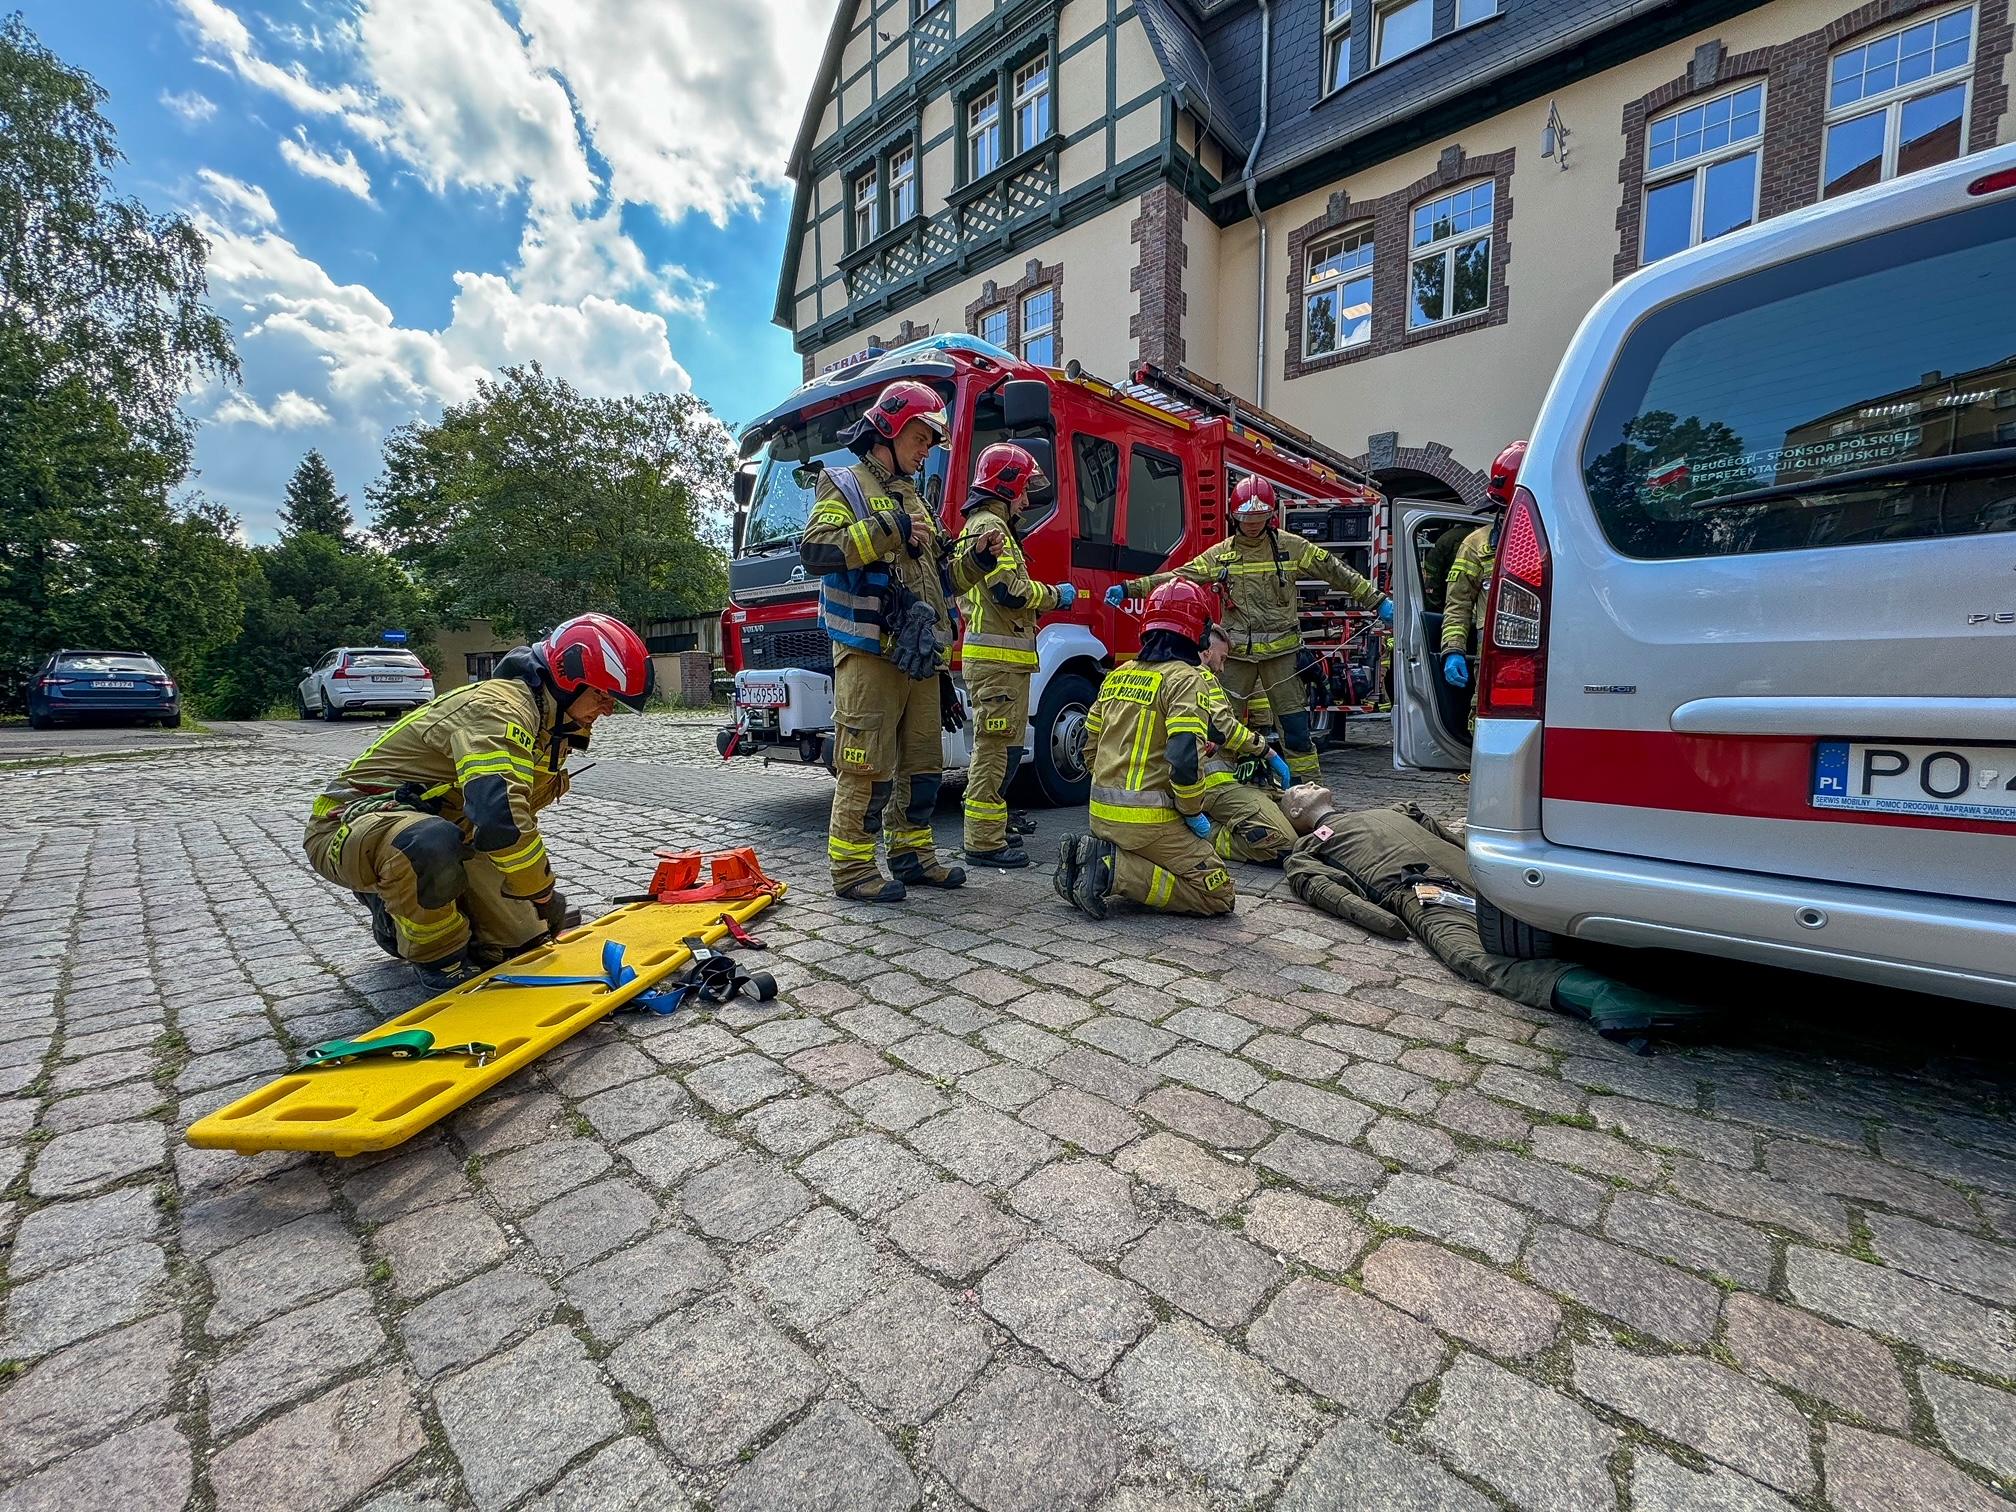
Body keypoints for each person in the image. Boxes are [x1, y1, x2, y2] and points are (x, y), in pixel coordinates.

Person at [302, 614, 650, 991]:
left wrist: (533, 898)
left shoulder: (551, 723)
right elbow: (499, 818)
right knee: (426, 845)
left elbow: (506, 819)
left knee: (521, 939)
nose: (608, 709)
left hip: (451, 830)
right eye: (602, 695)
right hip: (353, 825)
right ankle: (432, 953)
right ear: (568, 678)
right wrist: (542, 891)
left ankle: (438, 904)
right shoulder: (497, 709)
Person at [800, 379, 993, 901]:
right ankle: (853, 870)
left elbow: (944, 578)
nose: (927, 449)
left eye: (931, 441)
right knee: (866, 765)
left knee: (923, 766)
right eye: (920, 437)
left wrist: (979, 559)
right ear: (888, 428)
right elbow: (818, 550)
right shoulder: (844, 482)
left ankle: (912, 857)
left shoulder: (915, 498)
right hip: (870, 653)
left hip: (920, 658)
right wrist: (891, 527)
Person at [1106, 475, 1390, 785]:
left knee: (1295, 729)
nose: (1252, 525)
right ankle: (1221, 789)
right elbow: (1180, 576)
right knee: (1219, 727)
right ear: (1234, 518)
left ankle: (1309, 791)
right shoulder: (1221, 555)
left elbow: (1336, 571)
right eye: (1246, 519)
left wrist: (1376, 601)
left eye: (1259, 518)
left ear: (1271, 516)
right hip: (1236, 657)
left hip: (1282, 656)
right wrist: (1130, 588)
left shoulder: (1292, 547)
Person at [1054, 580, 1235, 919]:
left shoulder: (1118, 674)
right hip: (1150, 823)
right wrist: (1191, 811)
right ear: (1196, 631)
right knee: (1217, 892)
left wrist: (1111, 782)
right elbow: (1184, 757)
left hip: (1101, 815)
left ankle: (1090, 860)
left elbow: (1088, 743)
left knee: (1159, 861)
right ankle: (1112, 870)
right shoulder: (1186, 678)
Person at [951, 442, 1078, 867]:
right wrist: (1055, 596)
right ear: (1004, 486)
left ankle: (994, 824)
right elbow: (1009, 592)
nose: (1025, 500)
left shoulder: (985, 525)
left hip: (1004, 661)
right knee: (994, 749)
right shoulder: (991, 526)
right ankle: (983, 842)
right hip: (997, 662)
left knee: (1005, 748)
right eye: (1022, 490)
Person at [1198, 623, 1299, 864]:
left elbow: (1216, 731)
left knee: (1294, 825)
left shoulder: (1183, 675)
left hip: (1219, 781)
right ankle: (1205, 835)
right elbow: (1223, 727)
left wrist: (1245, 754)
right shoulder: (1201, 676)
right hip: (1212, 786)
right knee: (1283, 844)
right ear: (1207, 652)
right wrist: (1266, 751)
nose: (1222, 668)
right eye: (1222, 658)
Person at [1441, 440, 1528, 706]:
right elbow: (1458, 604)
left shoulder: (1557, 542)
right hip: (1493, 667)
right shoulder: (1476, 545)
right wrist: (1453, 649)